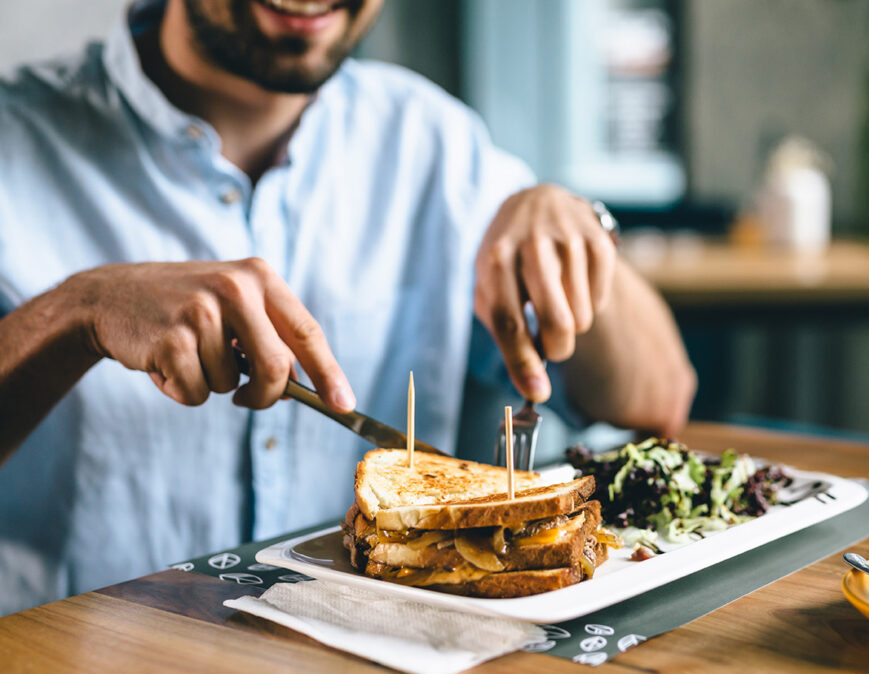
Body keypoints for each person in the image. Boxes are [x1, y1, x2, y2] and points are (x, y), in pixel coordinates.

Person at [0, 0, 696, 614]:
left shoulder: (435, 142)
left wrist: (578, 224)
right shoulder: (15, 139)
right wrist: (77, 313)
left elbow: (656, 398)